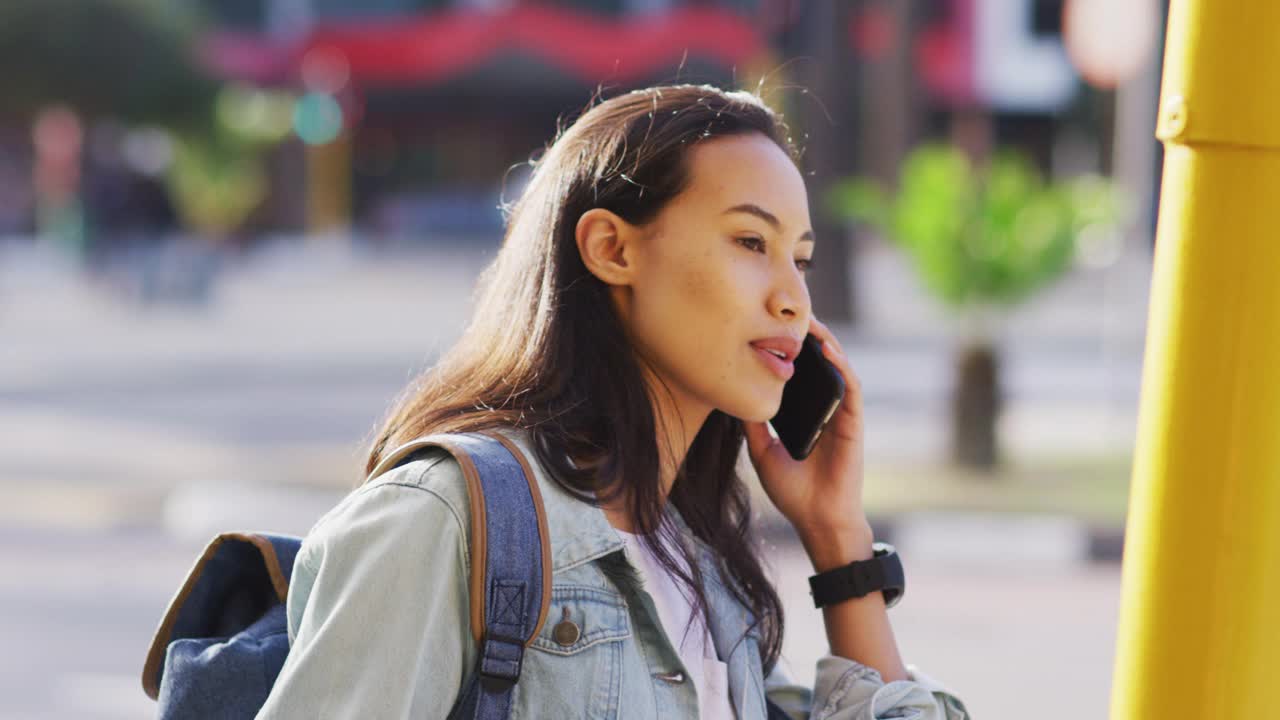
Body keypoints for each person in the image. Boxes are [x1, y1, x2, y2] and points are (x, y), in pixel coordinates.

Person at [256, 84, 970, 719]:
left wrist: (840, 541)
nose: (793, 299)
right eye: (751, 241)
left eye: (801, 258)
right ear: (611, 248)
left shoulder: (701, 573)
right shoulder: (443, 519)